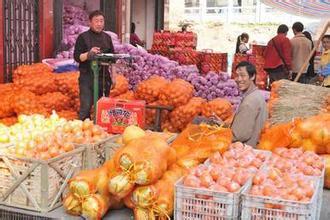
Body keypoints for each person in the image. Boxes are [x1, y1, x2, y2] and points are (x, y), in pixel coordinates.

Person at [74, 10, 115, 120]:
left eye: (101, 21)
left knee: (103, 108)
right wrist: (89, 54)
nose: (99, 24)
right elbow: (77, 57)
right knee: (86, 107)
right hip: (87, 78)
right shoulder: (83, 37)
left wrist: (113, 78)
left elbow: (112, 58)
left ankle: (101, 132)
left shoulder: (107, 37)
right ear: (90, 23)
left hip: (104, 78)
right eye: (96, 21)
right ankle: (83, 129)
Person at [231, 61, 268, 147]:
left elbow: (239, 135)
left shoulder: (250, 102)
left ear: (253, 76)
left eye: (243, 75)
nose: (239, 79)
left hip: (247, 150)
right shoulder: (256, 95)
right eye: (237, 76)